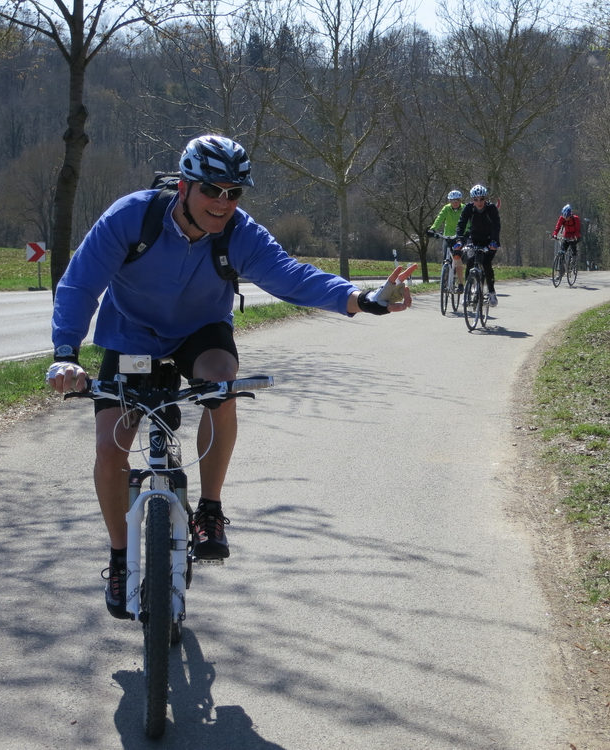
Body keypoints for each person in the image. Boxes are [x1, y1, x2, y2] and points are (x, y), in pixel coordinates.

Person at [46, 135, 417, 619]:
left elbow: (290, 275)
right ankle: (120, 557)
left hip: (201, 332)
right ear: (184, 186)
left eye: (234, 192)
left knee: (223, 381)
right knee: (109, 443)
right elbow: (80, 283)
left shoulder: (238, 232)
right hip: (132, 336)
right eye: (212, 190)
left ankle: (210, 509)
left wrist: (363, 298)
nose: (223, 202)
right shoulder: (131, 217)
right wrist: (66, 353)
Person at [454, 184, 501, 308]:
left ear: (485, 199)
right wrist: (459, 240)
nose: (479, 202)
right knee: (470, 262)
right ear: (472, 200)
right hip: (473, 239)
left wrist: (494, 242)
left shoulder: (491, 209)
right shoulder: (469, 208)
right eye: (476, 200)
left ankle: (491, 292)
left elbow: (496, 226)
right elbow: (461, 224)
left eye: (482, 199)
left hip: (489, 241)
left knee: (486, 264)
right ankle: (467, 293)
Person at [427, 189, 466, 291]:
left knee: (457, 258)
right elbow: (439, 219)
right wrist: (433, 229)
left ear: (460, 200)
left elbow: (468, 222)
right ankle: (446, 281)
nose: (455, 203)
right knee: (446, 259)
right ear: (449, 201)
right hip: (447, 236)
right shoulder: (446, 209)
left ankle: (461, 284)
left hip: (459, 237)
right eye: (452, 201)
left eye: (457, 200)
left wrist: (466, 233)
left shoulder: (464, 208)